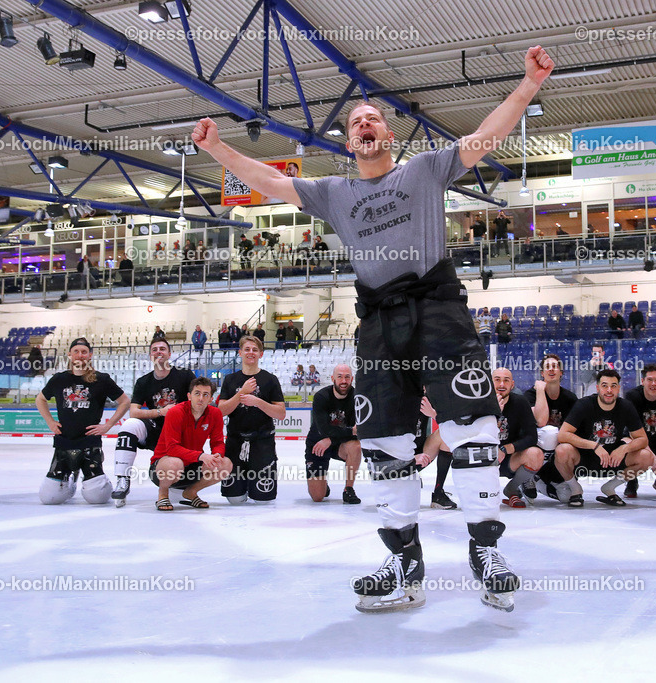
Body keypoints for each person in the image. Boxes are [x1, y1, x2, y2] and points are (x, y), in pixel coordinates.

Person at [192, 45, 554, 613]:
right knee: (383, 440)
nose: (364, 123)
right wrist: (218, 148)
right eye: (355, 121)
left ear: (389, 134)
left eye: (373, 118)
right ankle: (403, 561)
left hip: (438, 309)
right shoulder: (334, 193)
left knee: (474, 427)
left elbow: (485, 137)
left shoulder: (424, 169)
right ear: (348, 142)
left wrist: (528, 85)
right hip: (380, 322)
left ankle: (486, 552)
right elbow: (268, 180)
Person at [35, 338, 130, 505]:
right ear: (70, 355)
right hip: (64, 444)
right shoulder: (59, 379)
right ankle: (71, 479)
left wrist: (108, 425)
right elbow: (40, 399)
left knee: (97, 498)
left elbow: (125, 401)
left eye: (84, 352)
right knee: (48, 498)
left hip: (89, 444)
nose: (80, 355)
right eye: (76, 352)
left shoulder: (102, 379)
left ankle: (98, 478)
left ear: (90, 355)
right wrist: (50, 422)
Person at [110, 338, 196, 507]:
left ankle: (178, 479)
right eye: (154, 349)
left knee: (178, 491)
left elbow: (198, 401)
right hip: (157, 431)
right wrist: (160, 412)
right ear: (150, 355)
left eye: (162, 349)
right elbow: (133, 411)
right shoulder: (143, 382)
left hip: (181, 433)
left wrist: (178, 411)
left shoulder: (185, 375)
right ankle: (122, 479)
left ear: (169, 354)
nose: (158, 352)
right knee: (129, 425)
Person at [553, 368, 651, 507]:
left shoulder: (626, 407)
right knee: (562, 450)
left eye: (613, 386)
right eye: (605, 386)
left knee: (646, 457)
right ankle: (575, 489)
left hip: (613, 459)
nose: (609, 390)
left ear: (618, 388)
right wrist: (594, 445)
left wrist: (624, 449)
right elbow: (563, 435)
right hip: (584, 458)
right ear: (598, 388)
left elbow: (642, 439)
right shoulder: (584, 404)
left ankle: (610, 487)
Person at [216, 335, 286, 504]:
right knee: (234, 499)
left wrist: (257, 402)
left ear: (260, 354)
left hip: (262, 441)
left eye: (255, 350)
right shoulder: (230, 380)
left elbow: (281, 413)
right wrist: (242, 393)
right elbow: (220, 412)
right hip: (235, 441)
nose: (251, 352)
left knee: (263, 500)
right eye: (247, 349)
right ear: (240, 353)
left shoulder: (270, 380)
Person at [150, 377, 230, 511]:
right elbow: (172, 449)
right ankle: (163, 493)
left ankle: (191, 492)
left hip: (191, 466)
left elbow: (218, 442)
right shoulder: (175, 412)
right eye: (197, 393)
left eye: (205, 395)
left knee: (225, 464)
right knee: (175, 463)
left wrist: (217, 455)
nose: (201, 398)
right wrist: (201, 456)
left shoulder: (215, 413)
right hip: (164, 467)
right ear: (189, 396)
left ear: (211, 399)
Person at [523, 353, 578, 502]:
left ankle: (540, 481)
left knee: (566, 497)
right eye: (547, 367)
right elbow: (540, 421)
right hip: (534, 449)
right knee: (550, 432)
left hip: (557, 451)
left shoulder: (570, 398)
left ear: (561, 372)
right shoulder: (531, 395)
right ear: (542, 373)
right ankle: (528, 475)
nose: (551, 369)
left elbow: (575, 430)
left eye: (555, 366)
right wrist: (540, 391)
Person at [305, 364, 362, 504]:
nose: (344, 381)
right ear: (333, 379)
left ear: (352, 379)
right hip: (318, 445)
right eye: (340, 377)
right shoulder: (321, 397)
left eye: (347, 377)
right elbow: (323, 429)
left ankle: (348, 489)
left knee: (356, 446)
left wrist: (331, 440)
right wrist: (349, 431)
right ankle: (323, 485)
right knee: (318, 497)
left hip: (339, 444)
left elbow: (358, 432)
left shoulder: (357, 398)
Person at [623, 363, 656, 499]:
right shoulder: (632, 396)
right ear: (642, 381)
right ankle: (631, 480)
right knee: (627, 444)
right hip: (635, 440)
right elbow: (635, 433)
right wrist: (653, 459)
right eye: (650, 380)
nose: (654, 383)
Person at [492, 368, 543, 509]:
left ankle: (512, 488)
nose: (502, 384)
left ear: (512, 384)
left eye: (506, 380)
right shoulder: (480, 403)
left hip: (509, 458)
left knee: (536, 454)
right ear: (490, 383)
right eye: (497, 380)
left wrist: (506, 449)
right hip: (483, 458)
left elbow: (532, 437)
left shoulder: (520, 402)